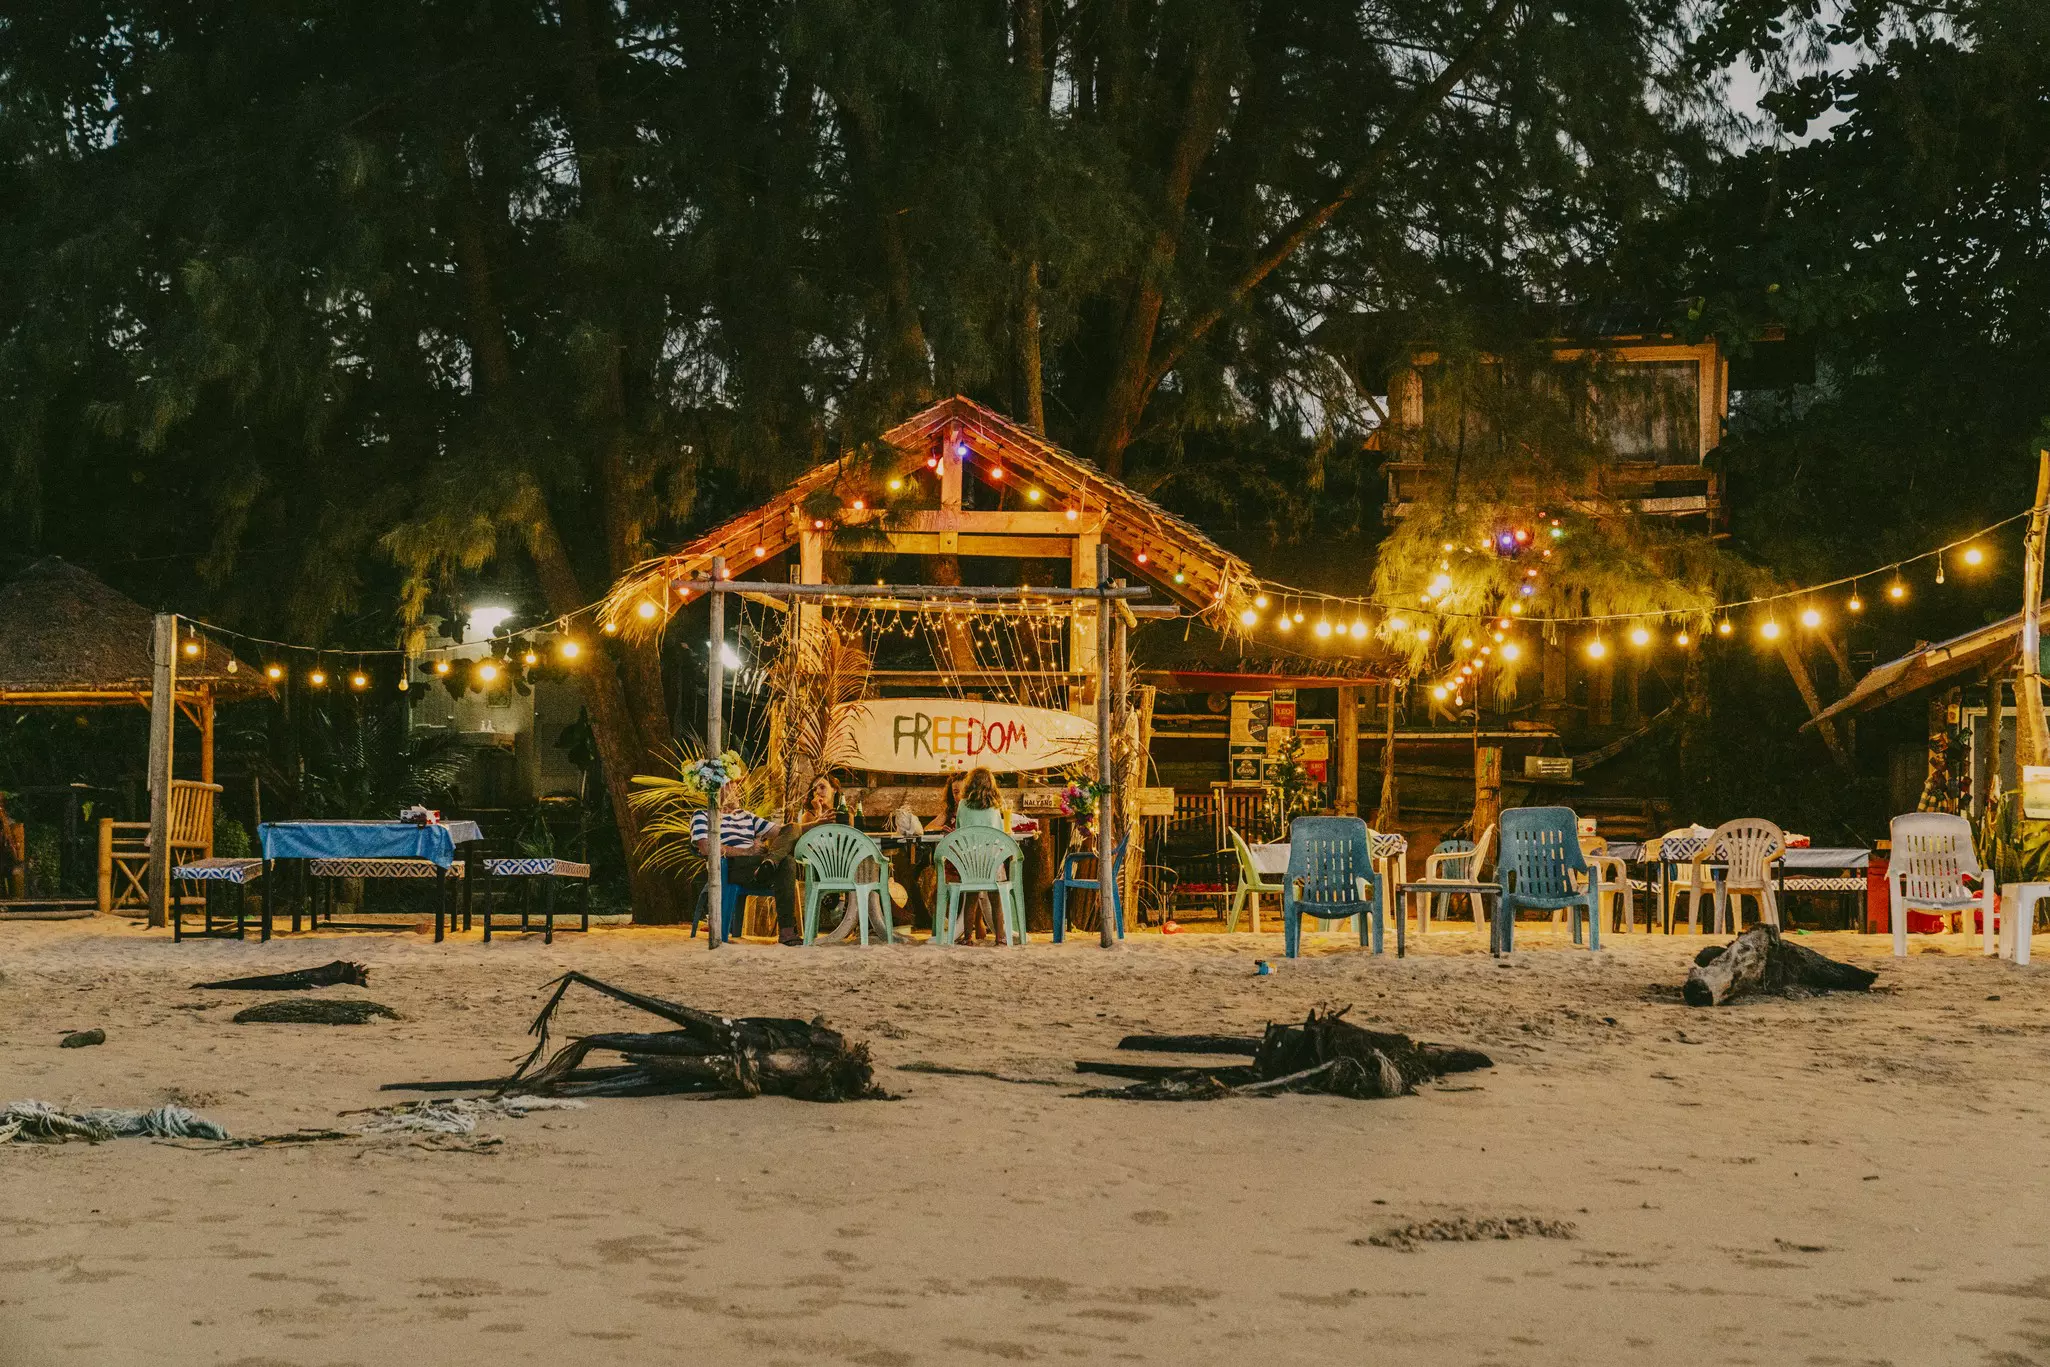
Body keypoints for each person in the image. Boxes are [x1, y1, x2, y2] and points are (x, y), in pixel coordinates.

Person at [692, 781, 800, 945]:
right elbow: (706, 847)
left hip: (758, 864)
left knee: (792, 831)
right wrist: (747, 851)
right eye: (731, 785)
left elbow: (784, 832)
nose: (737, 789)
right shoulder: (702, 815)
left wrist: (819, 823)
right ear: (716, 789)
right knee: (787, 862)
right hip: (732, 866)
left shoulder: (746, 816)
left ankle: (770, 863)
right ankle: (770, 863)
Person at [951, 767, 1010, 943]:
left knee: (971, 898)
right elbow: (999, 834)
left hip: (971, 860)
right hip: (992, 860)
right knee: (996, 899)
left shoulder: (962, 804)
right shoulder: (994, 806)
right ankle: (1000, 937)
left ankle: (968, 937)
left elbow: (959, 830)